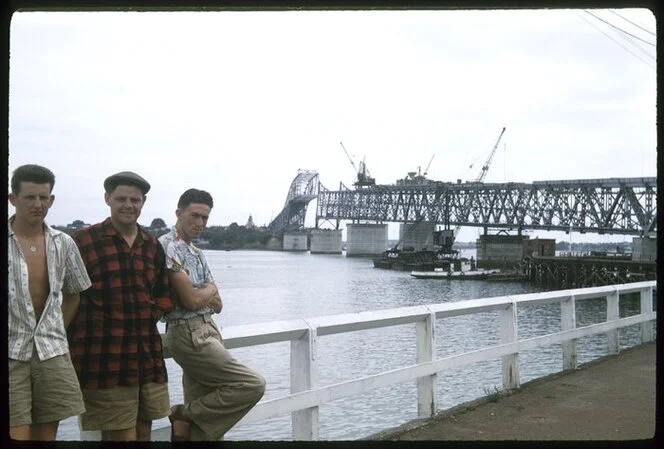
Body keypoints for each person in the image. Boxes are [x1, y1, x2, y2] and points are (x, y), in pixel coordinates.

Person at [67, 171, 174, 441]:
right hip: (105, 356)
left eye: (135, 200)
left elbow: (163, 292)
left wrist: (155, 310)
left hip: (146, 355)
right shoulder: (83, 241)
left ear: (143, 202)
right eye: (121, 199)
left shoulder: (151, 245)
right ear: (107, 199)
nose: (129, 205)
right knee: (119, 436)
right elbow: (65, 294)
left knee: (143, 431)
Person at [160, 188, 265, 441]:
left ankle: (189, 421)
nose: (200, 223)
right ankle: (183, 413)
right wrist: (208, 289)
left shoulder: (196, 252)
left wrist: (205, 292)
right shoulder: (167, 247)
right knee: (251, 384)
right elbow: (192, 299)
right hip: (188, 333)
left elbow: (218, 304)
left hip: (207, 329)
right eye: (194, 216)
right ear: (178, 213)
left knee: (204, 427)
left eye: (205, 218)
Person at [8, 164, 92, 440]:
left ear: (52, 200)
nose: (38, 204)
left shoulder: (64, 243)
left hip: (51, 352)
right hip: (10, 353)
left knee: (47, 437)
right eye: (30, 197)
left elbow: (74, 292)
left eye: (44, 197)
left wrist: (56, 330)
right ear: (13, 199)